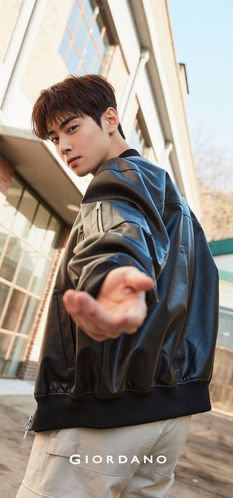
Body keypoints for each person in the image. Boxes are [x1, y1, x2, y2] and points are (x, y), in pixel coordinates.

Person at [16, 74, 219, 498]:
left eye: (71, 128)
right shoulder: (175, 203)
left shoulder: (117, 183)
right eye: (54, 138)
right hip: (168, 420)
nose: (64, 145)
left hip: (103, 417)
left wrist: (110, 283)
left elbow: (115, 238)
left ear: (110, 119)